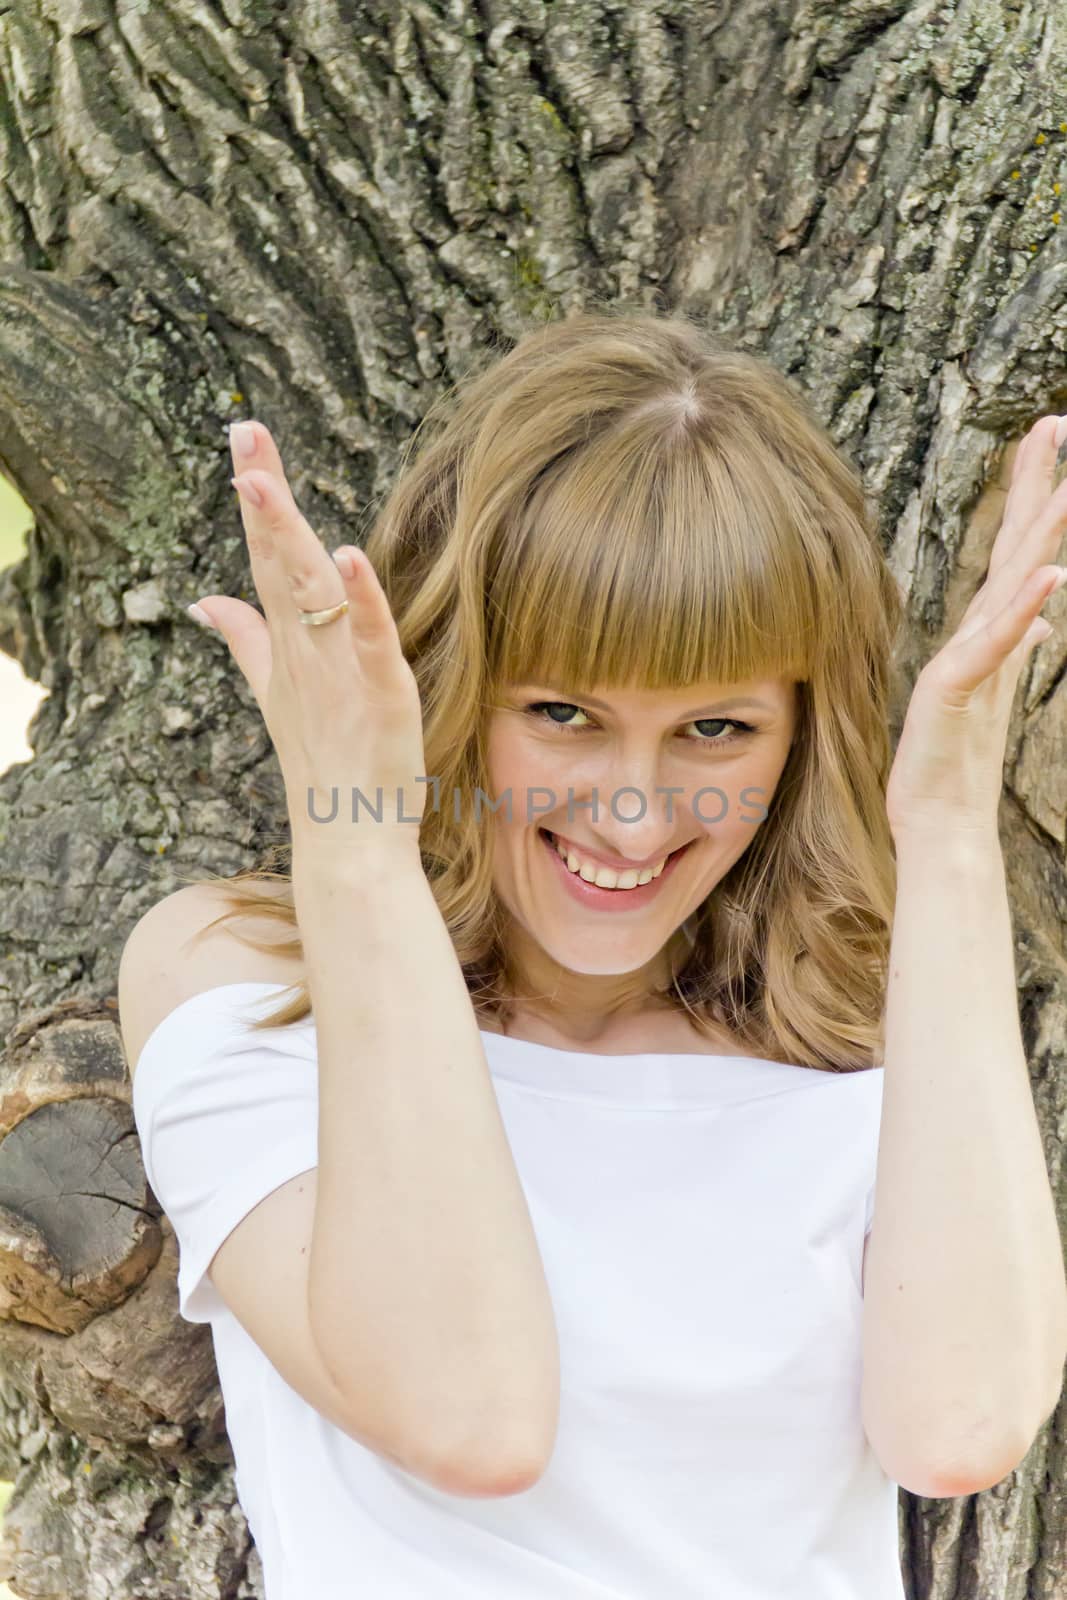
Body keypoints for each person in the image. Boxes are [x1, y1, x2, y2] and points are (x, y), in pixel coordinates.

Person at [119, 307, 1067, 1599]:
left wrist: (951, 834)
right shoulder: (249, 983)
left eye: (718, 731)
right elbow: (472, 1419)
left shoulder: (861, 1024)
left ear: (799, 735)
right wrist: (356, 838)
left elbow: (959, 1429)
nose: (633, 813)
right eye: (564, 713)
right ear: (453, 683)